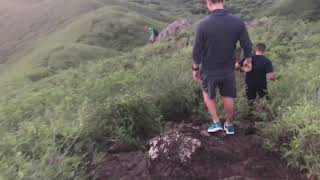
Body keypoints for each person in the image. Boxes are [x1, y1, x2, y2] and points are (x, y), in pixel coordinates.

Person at [193, 0, 253, 135]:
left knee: (207, 94)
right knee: (228, 95)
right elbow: (247, 45)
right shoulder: (237, 22)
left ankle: (216, 122)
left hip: (208, 69)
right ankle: (229, 125)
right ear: (223, 1)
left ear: (209, 2)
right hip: (228, 69)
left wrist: (196, 69)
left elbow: (197, 51)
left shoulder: (203, 25)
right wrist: (248, 60)